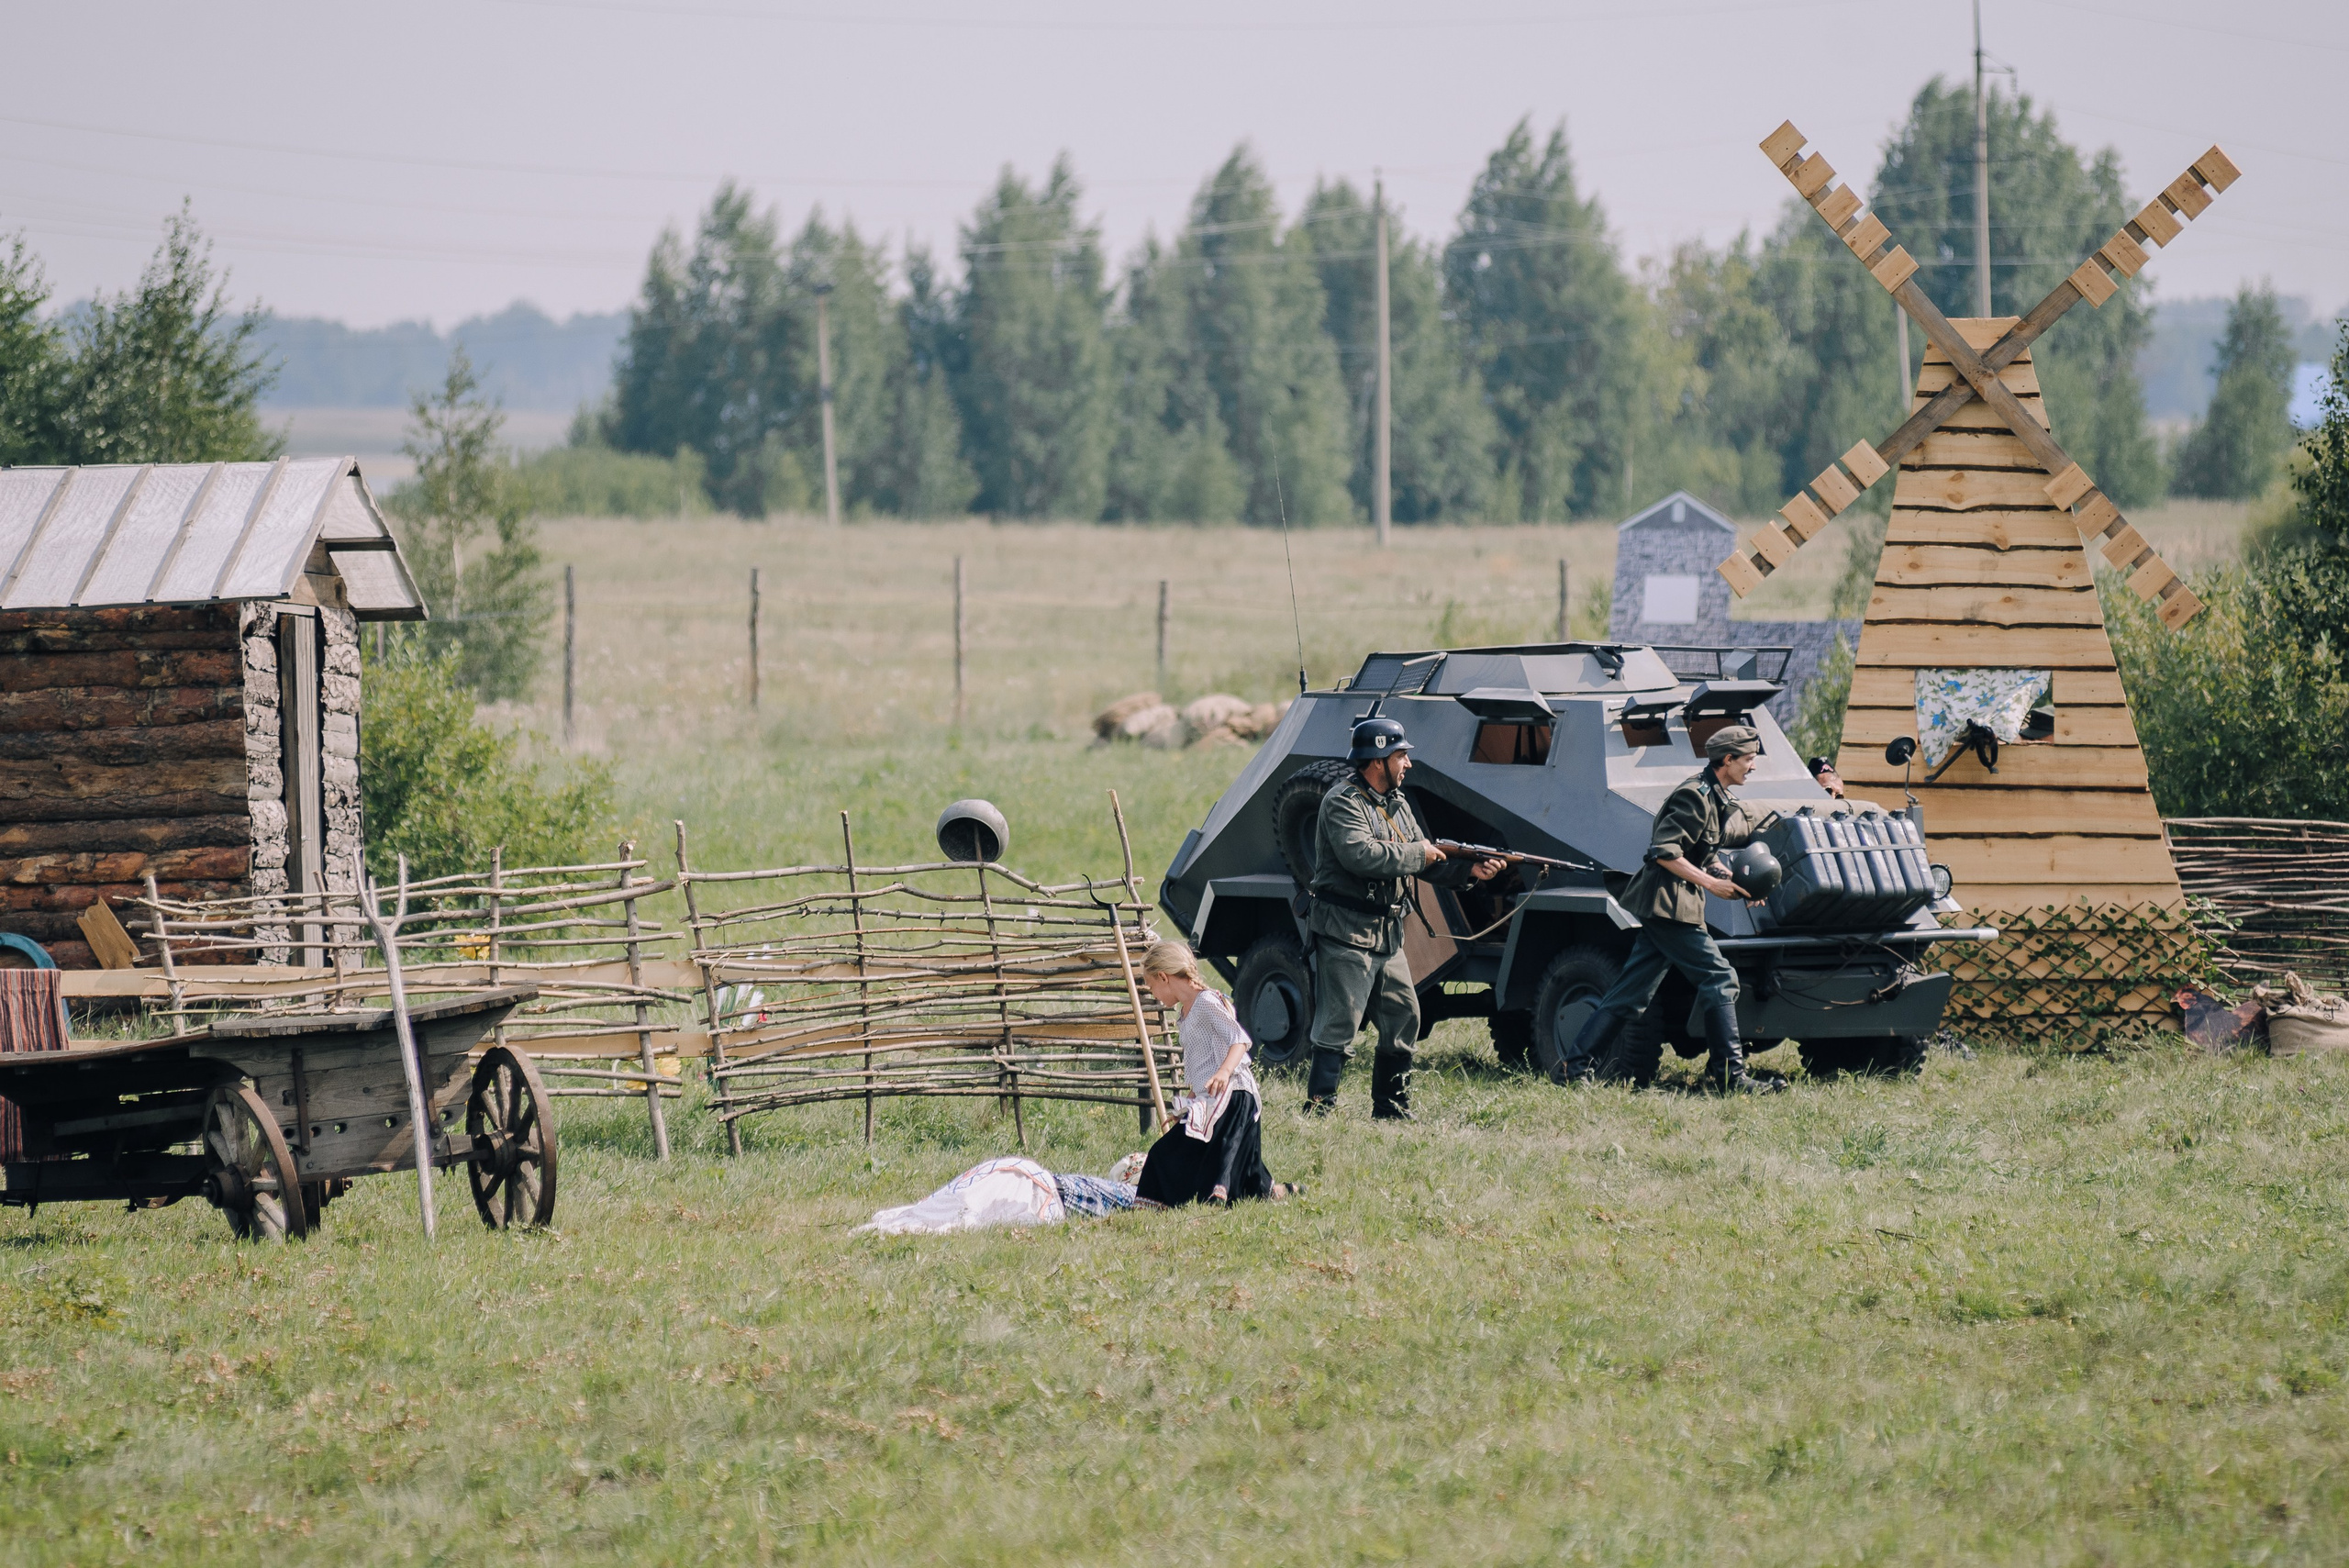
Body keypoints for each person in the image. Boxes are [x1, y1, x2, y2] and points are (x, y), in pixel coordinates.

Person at [1557, 724, 1784, 1094]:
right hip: (1668, 905)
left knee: (1629, 994)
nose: (1753, 767)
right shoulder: (1693, 795)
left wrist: (1732, 880)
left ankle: (1573, 1068)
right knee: (1720, 978)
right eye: (1748, 760)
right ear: (1728, 760)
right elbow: (1664, 853)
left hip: (1676, 904)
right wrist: (1712, 885)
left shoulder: (1715, 796)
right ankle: (1730, 1077)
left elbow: (1702, 853)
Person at [1301, 717, 1505, 1119]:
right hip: (1346, 930)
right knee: (1340, 1025)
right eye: (1400, 754)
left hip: (1387, 934)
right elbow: (1362, 856)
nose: (1408, 762)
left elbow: (1427, 862)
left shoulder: (1397, 804)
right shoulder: (1343, 802)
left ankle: (1391, 1109)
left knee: (1404, 1016)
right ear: (1377, 760)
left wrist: (1469, 872)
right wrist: (1421, 854)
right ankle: (1318, 1110)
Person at [1134, 940, 1298, 1206]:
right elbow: (1200, 1068)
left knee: (1217, 1158)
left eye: (1152, 986)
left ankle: (1211, 1200)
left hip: (1233, 1095)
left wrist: (1224, 1072)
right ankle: (1274, 1192)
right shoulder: (1186, 1015)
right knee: (1167, 1153)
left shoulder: (1207, 1001)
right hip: (1211, 1097)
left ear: (1163, 977)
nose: (1153, 994)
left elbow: (1240, 1040)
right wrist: (1188, 1106)